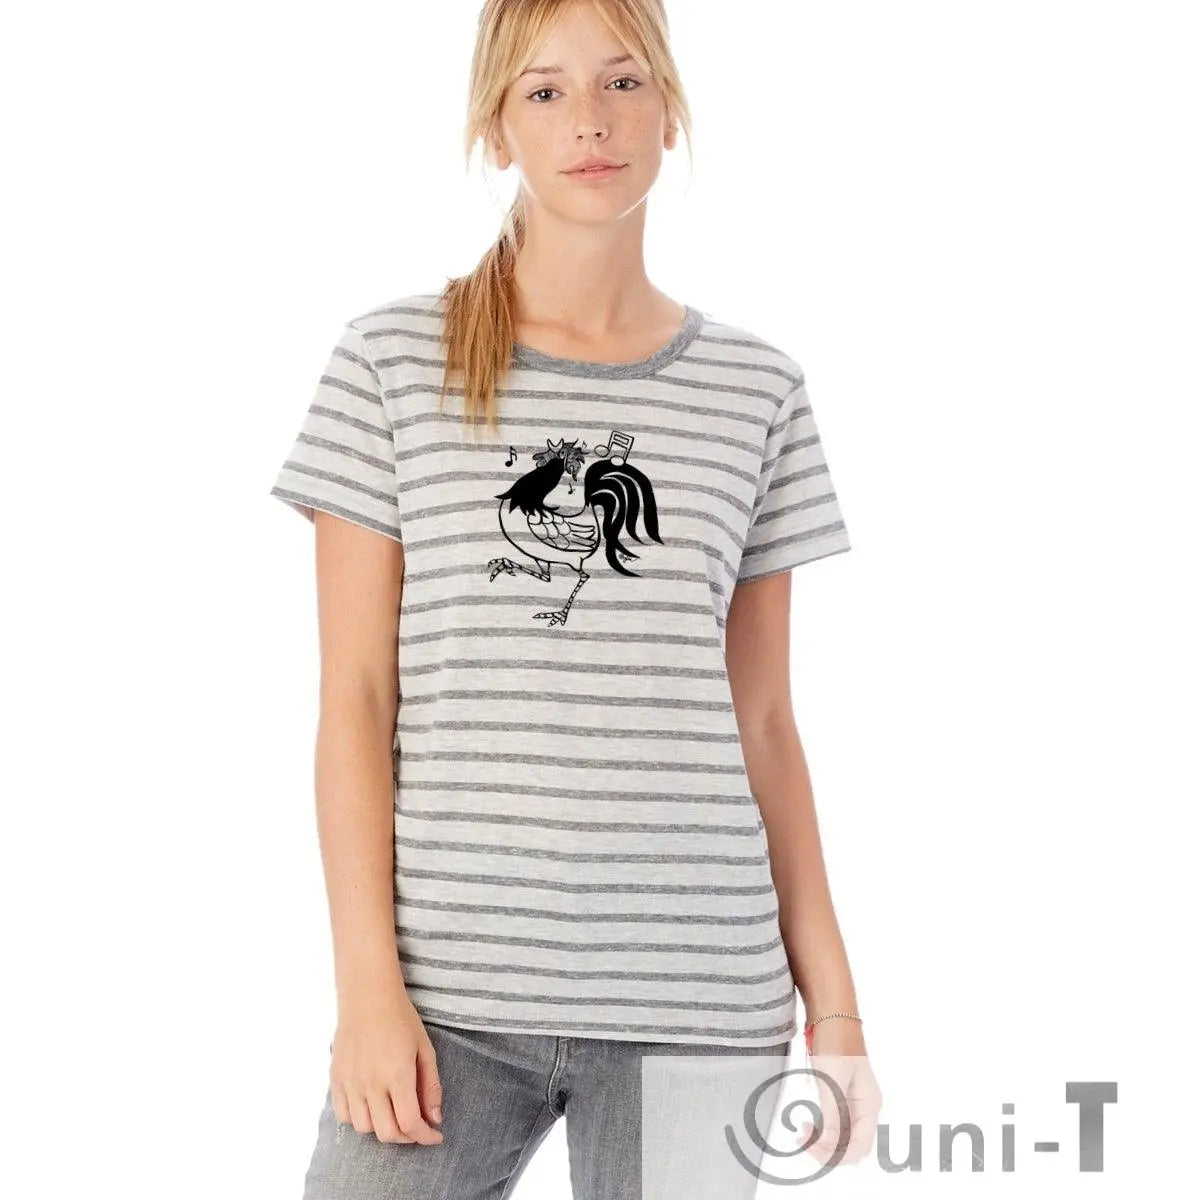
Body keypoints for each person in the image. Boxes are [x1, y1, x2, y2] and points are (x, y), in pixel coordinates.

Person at [269, 1, 880, 1195]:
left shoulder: (756, 389)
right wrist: (366, 989)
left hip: (700, 999)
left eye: (623, 82)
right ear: (496, 128)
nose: (590, 121)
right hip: (447, 999)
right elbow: (356, 700)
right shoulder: (392, 361)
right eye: (544, 92)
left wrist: (839, 1011)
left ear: (670, 111)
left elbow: (764, 723)